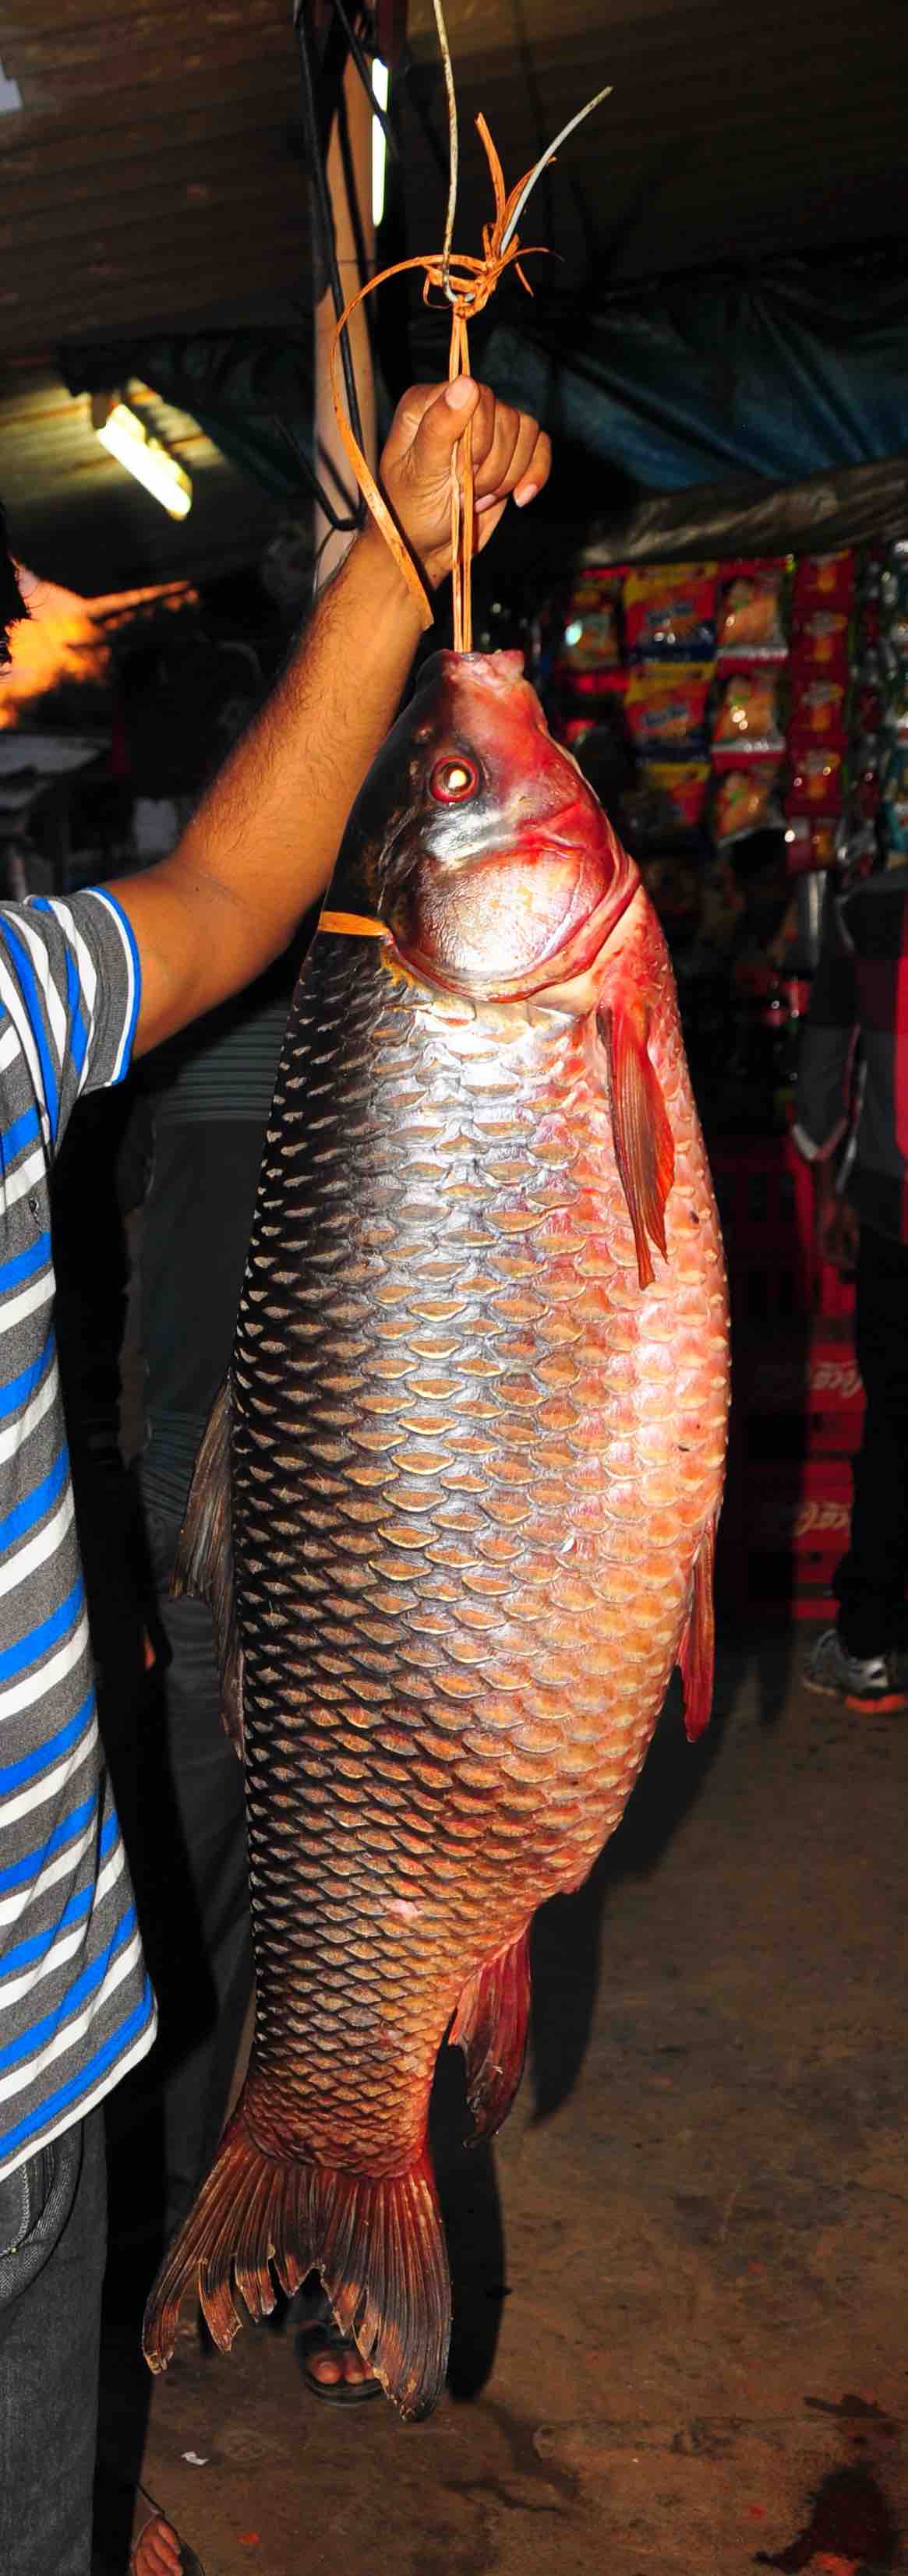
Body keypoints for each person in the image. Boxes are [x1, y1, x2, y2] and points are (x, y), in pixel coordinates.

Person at [0, 378, 550, 2576]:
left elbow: (224, 886)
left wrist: (406, 558)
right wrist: (395, 553)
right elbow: (234, 884)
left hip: (46, 2061)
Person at [793, 858, 908, 1712]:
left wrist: (823, 1165)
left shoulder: (870, 911)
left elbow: (826, 1064)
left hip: (897, 1212)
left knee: (896, 1432)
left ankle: (869, 1648)